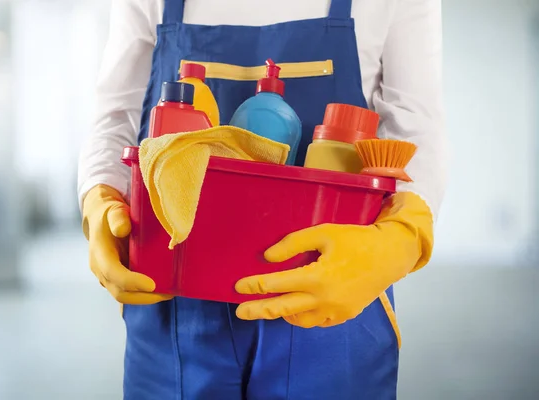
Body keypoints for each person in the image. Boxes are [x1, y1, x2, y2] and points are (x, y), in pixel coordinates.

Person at [78, 0, 447, 398]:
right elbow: (117, 116)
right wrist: (99, 196)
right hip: (174, 290)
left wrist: (404, 235)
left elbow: (415, 123)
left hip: (332, 293)